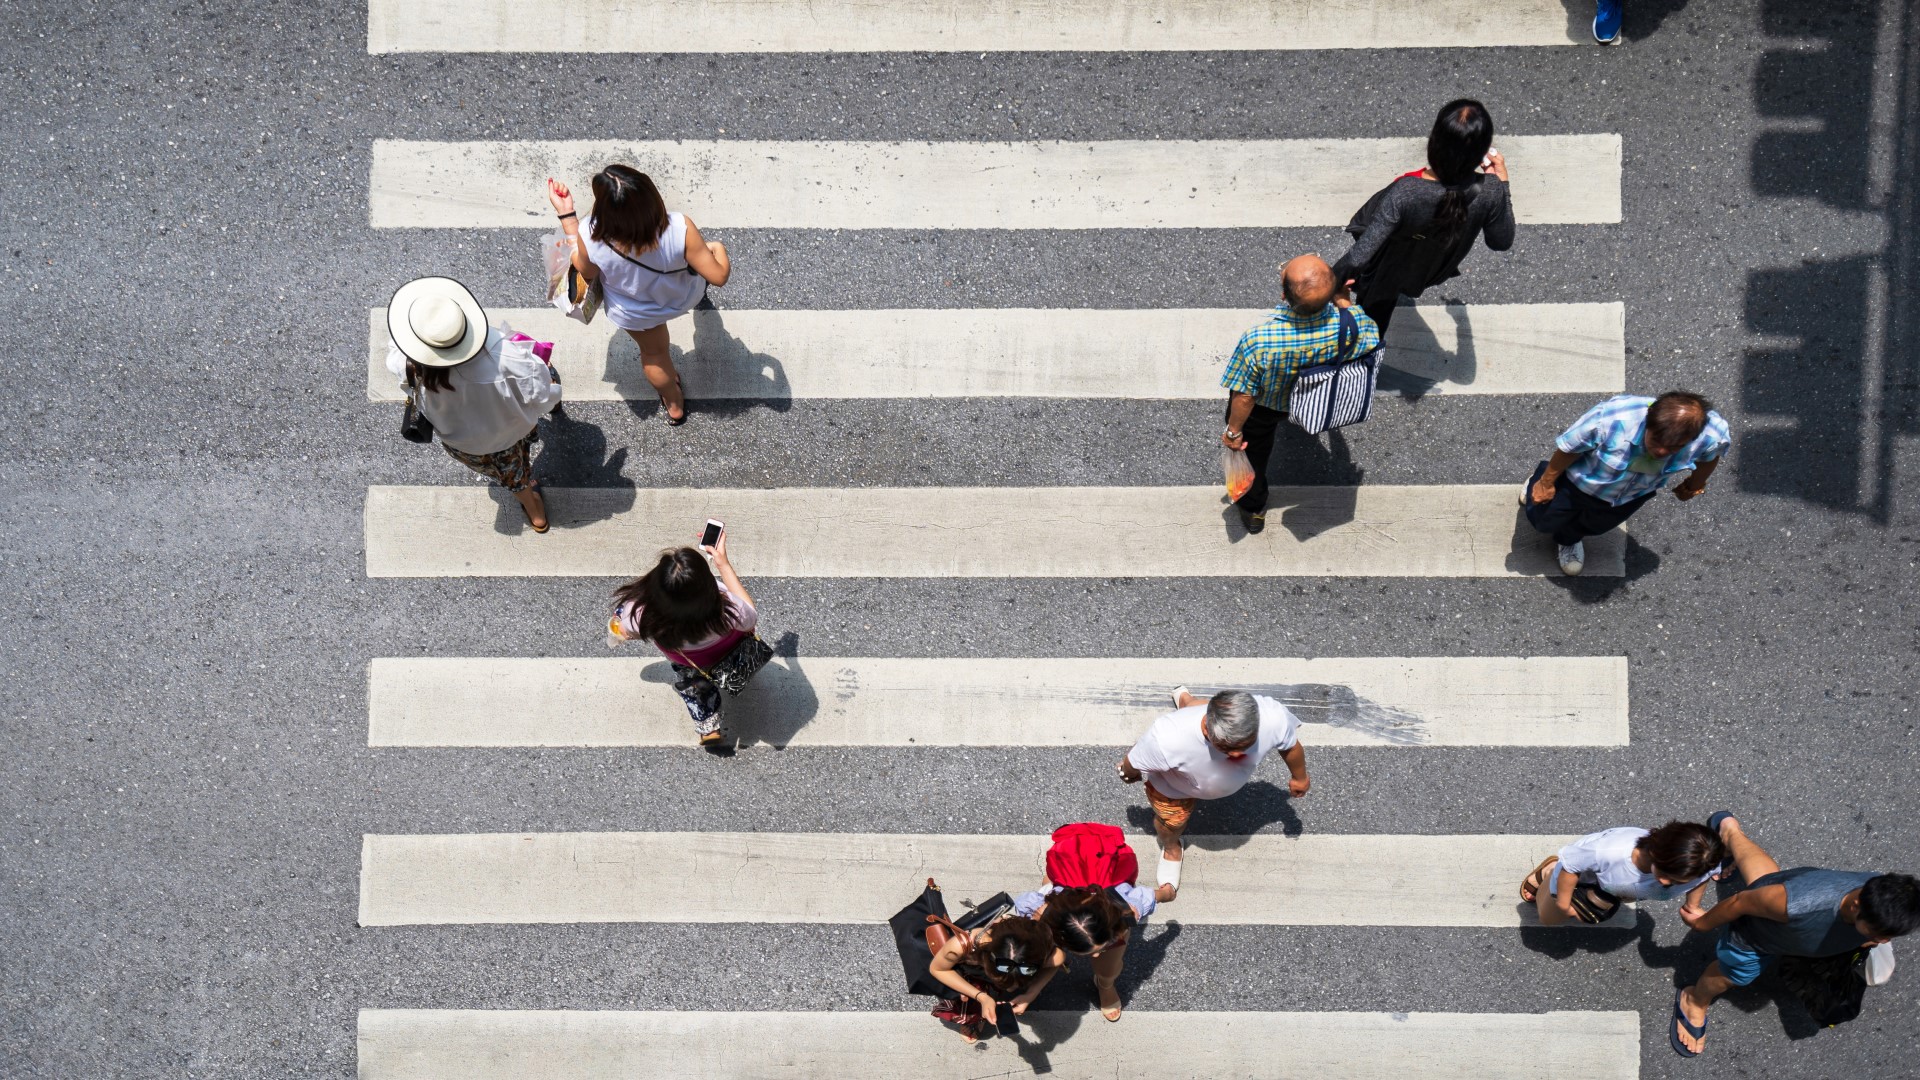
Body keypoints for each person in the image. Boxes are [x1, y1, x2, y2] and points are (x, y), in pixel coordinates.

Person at [1672, 812, 1918, 1057]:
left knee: (1767, 881)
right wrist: (1702, 923)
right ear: (1856, 906)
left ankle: (1729, 832)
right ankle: (1693, 1000)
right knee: (1733, 973)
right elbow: (1740, 902)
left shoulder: (1881, 890)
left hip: (1789, 912)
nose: (1884, 941)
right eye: (1878, 933)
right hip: (1756, 939)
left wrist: (1870, 935)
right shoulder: (1798, 904)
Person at [546, 165, 730, 425]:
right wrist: (717, 248)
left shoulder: (591, 235)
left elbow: (585, 271)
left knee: (655, 356)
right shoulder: (679, 227)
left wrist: (567, 214)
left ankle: (674, 405)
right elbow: (718, 276)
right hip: (680, 297)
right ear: (651, 196)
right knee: (704, 262)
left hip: (636, 313)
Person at [385, 276, 562, 532]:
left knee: (508, 474)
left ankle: (535, 513)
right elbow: (541, 392)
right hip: (511, 429)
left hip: (465, 444)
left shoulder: (404, 364)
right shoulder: (501, 355)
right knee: (548, 373)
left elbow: (397, 349)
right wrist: (551, 397)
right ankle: (536, 514)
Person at [1219, 256, 1381, 533]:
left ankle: (1254, 509)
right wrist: (1343, 302)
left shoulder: (1260, 340)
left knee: (1253, 452)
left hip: (1268, 405)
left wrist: (1233, 432)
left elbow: (1244, 396)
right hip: (1314, 399)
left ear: (1284, 295)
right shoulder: (1355, 323)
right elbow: (1369, 341)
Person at [1332, 99, 1514, 335]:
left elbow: (1359, 257)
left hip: (1389, 268)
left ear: (1434, 142)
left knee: (1373, 316)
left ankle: (1362, 363)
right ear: (1483, 151)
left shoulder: (1407, 190)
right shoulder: (1491, 190)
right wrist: (1502, 184)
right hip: (1429, 265)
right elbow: (1501, 241)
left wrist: (1320, 285)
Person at [1117, 688, 1309, 892]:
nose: (1238, 755)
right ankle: (1172, 848)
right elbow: (1132, 762)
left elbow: (1290, 746)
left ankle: (1186, 700)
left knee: (1195, 707)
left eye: (1246, 746)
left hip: (1205, 728)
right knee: (1171, 822)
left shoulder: (1271, 717)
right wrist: (1127, 774)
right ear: (1207, 730)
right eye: (1228, 747)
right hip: (1174, 790)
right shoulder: (1166, 738)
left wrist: (1300, 777)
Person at [1525, 390, 1730, 575]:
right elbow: (1569, 448)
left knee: (1594, 527)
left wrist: (1694, 486)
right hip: (1577, 485)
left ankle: (1568, 540)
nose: (1661, 452)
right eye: (1656, 441)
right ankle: (1538, 480)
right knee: (1543, 521)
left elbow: (1709, 457)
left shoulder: (1711, 436)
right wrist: (1546, 482)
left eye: (1674, 447)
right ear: (1648, 420)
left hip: (1628, 497)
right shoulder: (1611, 418)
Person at [608, 530, 758, 749]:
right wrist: (723, 565)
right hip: (726, 652)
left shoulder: (642, 614)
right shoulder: (729, 610)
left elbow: (626, 629)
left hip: (688, 659)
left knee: (695, 688)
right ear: (707, 587)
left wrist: (621, 627)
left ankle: (709, 728)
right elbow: (751, 618)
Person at [1013, 823, 1177, 1022]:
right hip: (1064, 899)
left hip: (1095, 903)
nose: (1098, 954)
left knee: (1107, 969)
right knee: (1050, 886)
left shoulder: (1128, 906)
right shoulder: (1040, 910)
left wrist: (1168, 892)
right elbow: (1026, 904)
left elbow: (1156, 896)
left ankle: (1105, 985)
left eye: (1098, 949)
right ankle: (1055, 881)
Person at [1519, 821, 1726, 927]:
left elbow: (1705, 876)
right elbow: (1571, 866)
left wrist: (1693, 906)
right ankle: (1548, 870)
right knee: (1548, 919)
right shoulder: (1610, 852)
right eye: (1664, 872)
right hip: (1581, 874)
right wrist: (1563, 905)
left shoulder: (1699, 865)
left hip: (1610, 886)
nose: (1665, 882)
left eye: (1677, 881)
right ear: (1656, 850)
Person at [927, 914, 1063, 1042]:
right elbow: (937, 969)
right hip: (971, 968)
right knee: (963, 995)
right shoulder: (962, 945)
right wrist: (980, 996)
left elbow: (1058, 960)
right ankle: (972, 1013)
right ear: (988, 959)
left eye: (1028, 970)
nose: (1011, 990)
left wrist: (1030, 994)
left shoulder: (1040, 950)